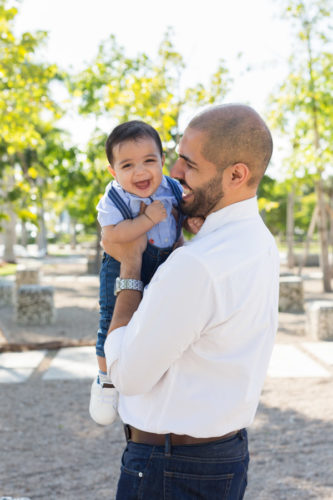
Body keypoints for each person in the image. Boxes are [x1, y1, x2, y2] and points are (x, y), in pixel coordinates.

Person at [104, 104, 280, 499]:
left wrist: (130, 269)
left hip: (169, 469)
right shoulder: (259, 242)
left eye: (189, 164)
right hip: (223, 457)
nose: (174, 173)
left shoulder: (198, 266)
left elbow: (128, 377)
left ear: (236, 174)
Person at [89, 120, 185, 426]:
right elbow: (112, 237)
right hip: (121, 262)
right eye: (127, 165)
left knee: (159, 315)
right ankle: (105, 380)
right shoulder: (115, 198)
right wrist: (147, 220)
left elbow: (187, 215)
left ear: (162, 162)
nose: (140, 172)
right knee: (111, 320)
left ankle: (153, 369)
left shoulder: (172, 189)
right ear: (113, 172)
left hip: (163, 258)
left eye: (149, 161)